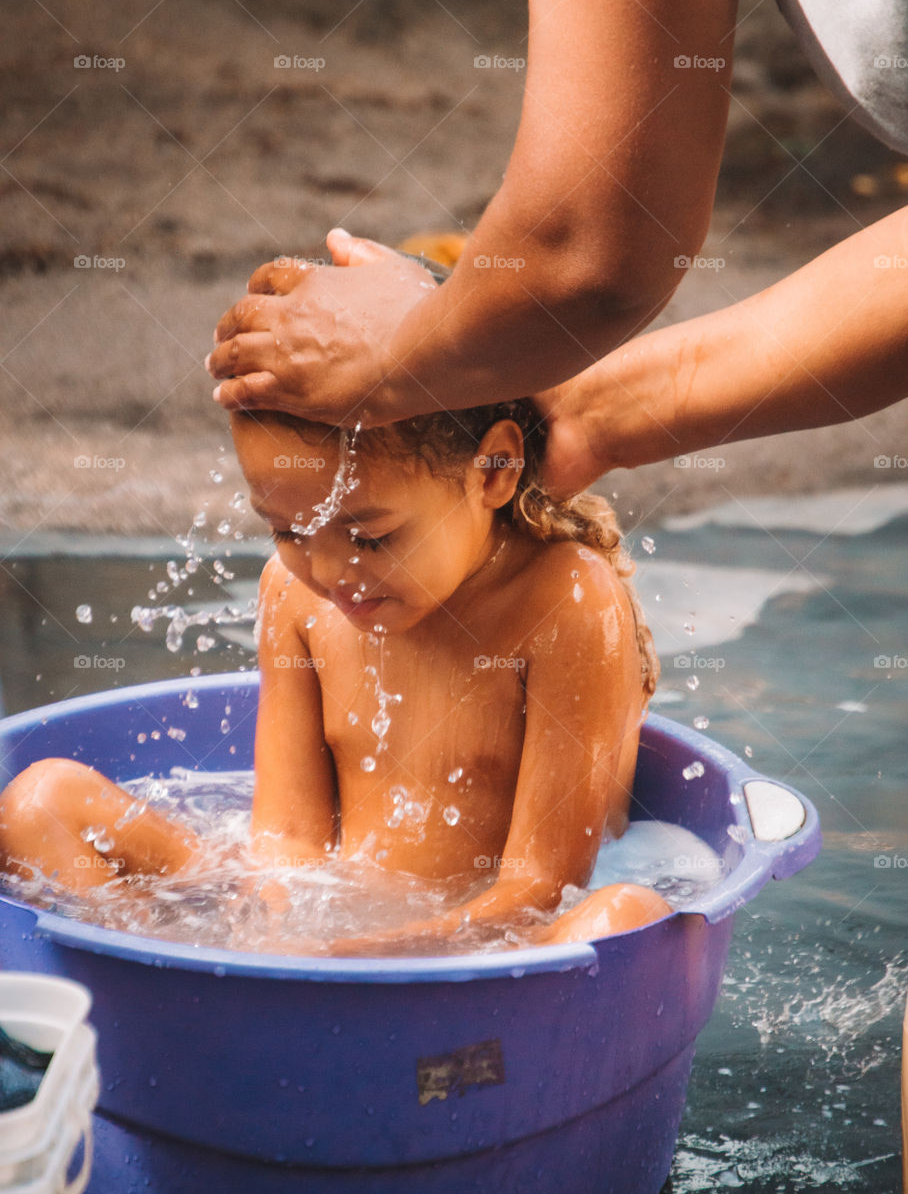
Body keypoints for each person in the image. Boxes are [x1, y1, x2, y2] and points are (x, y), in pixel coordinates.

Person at [204, 0, 908, 494]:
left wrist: (399, 352)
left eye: (372, 536)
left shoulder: (571, 622)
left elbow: (588, 254)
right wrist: (587, 416)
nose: (330, 578)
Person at [0, 400, 670, 954]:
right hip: (332, 910)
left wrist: (350, 959)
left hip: (479, 951)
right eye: (288, 531)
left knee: (624, 917)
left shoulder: (565, 602)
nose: (326, 574)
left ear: (492, 469)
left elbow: (540, 891)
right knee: (40, 799)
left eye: (370, 538)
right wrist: (266, 936)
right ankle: (157, 989)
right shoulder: (297, 597)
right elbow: (288, 840)